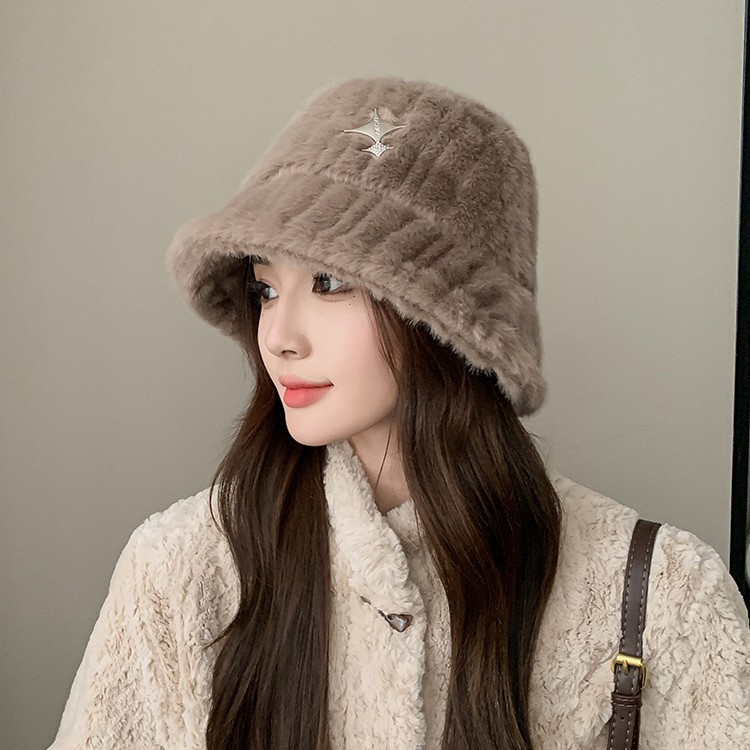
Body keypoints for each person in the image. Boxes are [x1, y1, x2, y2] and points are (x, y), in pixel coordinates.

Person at [48, 76, 750, 750]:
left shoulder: (658, 591)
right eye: (265, 289)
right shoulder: (184, 570)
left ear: (447, 321)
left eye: (329, 282)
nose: (279, 336)